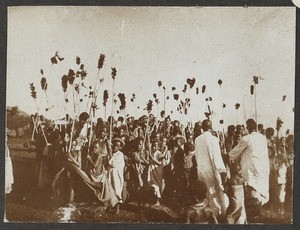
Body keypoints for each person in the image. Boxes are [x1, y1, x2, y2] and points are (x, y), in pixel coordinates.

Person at [228, 119, 269, 223]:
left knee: (252, 195)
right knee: (259, 192)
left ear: (248, 128)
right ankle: (257, 216)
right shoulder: (262, 137)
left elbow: (234, 153)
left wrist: (226, 156)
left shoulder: (246, 139)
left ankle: (253, 219)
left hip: (251, 169)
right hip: (261, 169)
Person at [194, 119, 228, 217]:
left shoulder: (197, 139)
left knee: (204, 193)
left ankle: (206, 214)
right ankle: (217, 215)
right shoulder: (213, 139)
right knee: (214, 193)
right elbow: (216, 157)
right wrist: (222, 171)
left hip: (201, 170)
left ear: (202, 128)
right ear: (211, 127)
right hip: (211, 170)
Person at [107, 138, 125, 211]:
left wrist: (111, 155)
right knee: (110, 189)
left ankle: (118, 208)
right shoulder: (111, 153)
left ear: (120, 147)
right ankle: (110, 206)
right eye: (114, 145)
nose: (115, 147)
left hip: (116, 175)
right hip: (110, 173)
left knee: (117, 190)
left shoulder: (120, 155)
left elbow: (114, 164)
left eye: (117, 146)